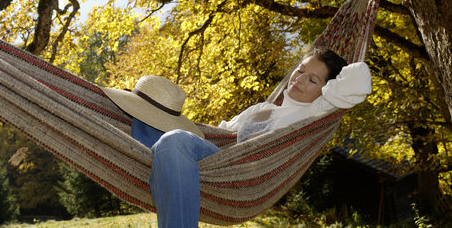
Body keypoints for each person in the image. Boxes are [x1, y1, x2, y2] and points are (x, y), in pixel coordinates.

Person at [102, 48, 372, 228]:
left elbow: (359, 78)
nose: (300, 79)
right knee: (147, 116)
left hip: (245, 180)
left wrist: (328, 94)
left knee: (174, 141)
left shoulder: (314, 113)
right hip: (218, 165)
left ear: (326, 91)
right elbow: (216, 135)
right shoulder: (261, 109)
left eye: (313, 80)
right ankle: (131, 147)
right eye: (301, 70)